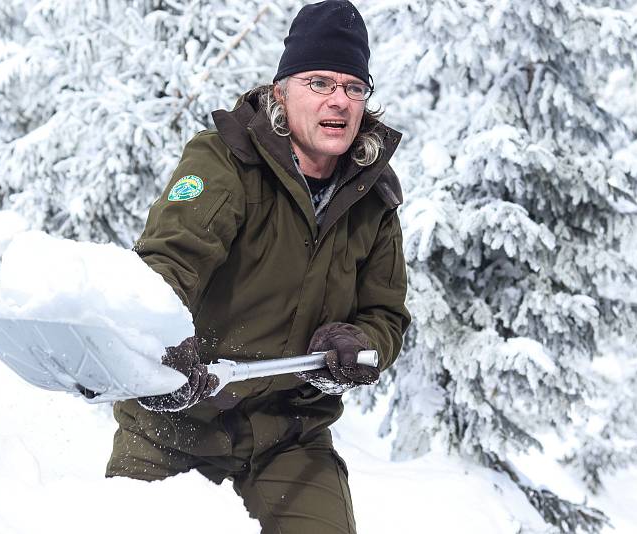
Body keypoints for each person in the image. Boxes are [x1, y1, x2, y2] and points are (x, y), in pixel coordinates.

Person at [106, 1, 410, 532]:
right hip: (176, 417)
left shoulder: (373, 198)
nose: (339, 100)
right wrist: (160, 346)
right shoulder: (226, 160)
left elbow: (386, 315)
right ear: (280, 91)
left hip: (289, 433)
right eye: (319, 82)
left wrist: (357, 343)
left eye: (353, 87)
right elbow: (170, 262)